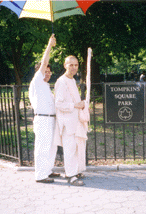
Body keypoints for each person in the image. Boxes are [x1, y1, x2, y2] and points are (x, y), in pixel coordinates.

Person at [29, 34, 60, 183]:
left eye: (49, 72)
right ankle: (40, 175)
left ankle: (47, 170)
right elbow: (44, 61)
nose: (47, 74)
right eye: (45, 71)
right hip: (42, 119)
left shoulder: (47, 87)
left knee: (51, 146)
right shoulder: (37, 81)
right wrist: (49, 45)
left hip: (50, 120)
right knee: (42, 147)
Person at [54, 55, 88, 186]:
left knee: (75, 148)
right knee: (69, 149)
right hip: (67, 123)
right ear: (65, 65)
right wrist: (75, 105)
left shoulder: (72, 80)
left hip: (75, 121)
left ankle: (75, 171)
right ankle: (70, 176)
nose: (74, 68)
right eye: (71, 65)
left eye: (76, 65)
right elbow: (59, 104)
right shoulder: (61, 81)